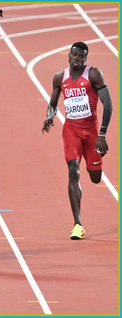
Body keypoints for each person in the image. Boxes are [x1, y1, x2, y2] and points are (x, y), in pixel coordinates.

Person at [42, 41, 113, 239]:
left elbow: (108, 105)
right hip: (71, 130)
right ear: (69, 55)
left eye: (81, 57)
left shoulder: (94, 75)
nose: (77, 59)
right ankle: (78, 224)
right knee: (73, 170)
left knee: (95, 177)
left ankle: (95, 165)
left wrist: (102, 135)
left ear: (85, 59)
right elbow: (53, 103)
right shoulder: (59, 77)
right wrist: (49, 116)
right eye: (74, 55)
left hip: (92, 133)